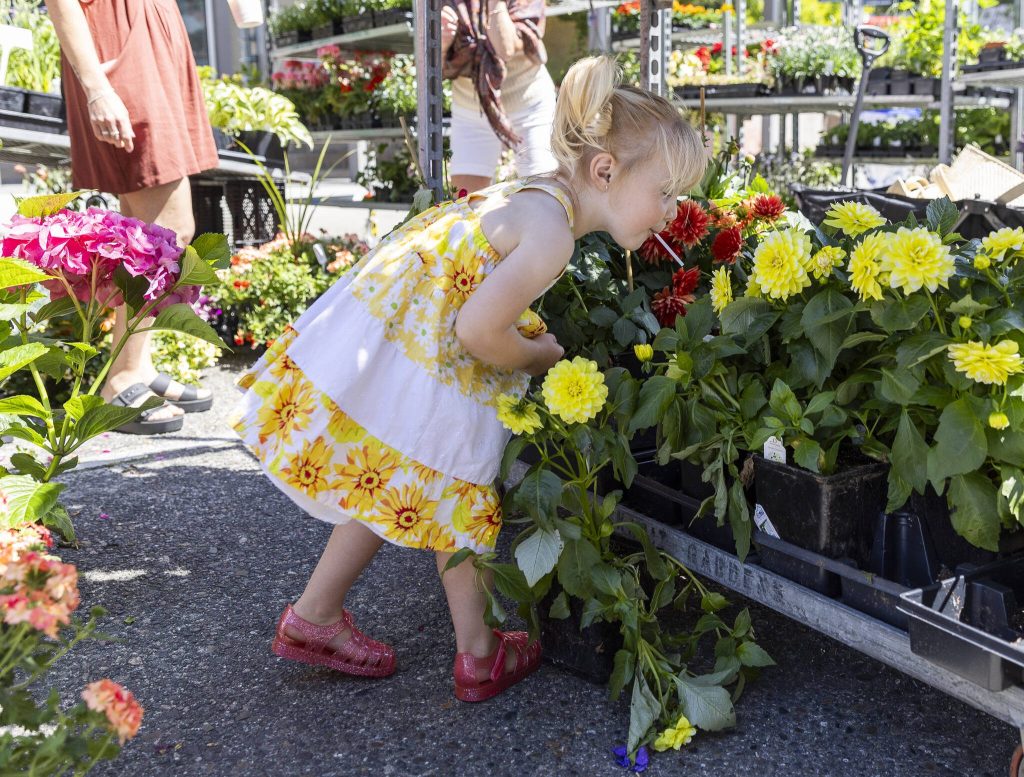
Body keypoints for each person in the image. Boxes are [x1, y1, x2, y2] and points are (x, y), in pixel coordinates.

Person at [232, 56, 706, 700]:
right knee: (454, 493)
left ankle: (318, 616)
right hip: (436, 357)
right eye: (667, 192)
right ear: (605, 171)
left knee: (399, 473)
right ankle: (478, 656)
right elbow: (479, 333)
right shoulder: (553, 237)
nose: (672, 212)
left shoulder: (542, 195)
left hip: (408, 344)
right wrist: (539, 357)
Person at [48, 0, 219, 434]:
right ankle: (120, 377)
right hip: (119, 43)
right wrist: (97, 88)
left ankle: (138, 365)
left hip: (155, 34)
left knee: (141, 229)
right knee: (169, 230)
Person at [441, 0, 558, 194]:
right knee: (464, 202)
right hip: (471, 107)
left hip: (529, 104)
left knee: (544, 191)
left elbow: (505, 49)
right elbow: (429, 67)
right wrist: (443, 44)